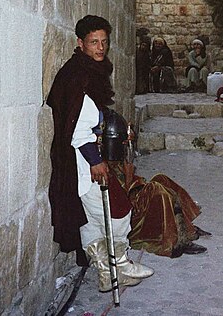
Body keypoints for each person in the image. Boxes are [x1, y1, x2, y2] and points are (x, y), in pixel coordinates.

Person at [46, 15, 154, 293]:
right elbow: (77, 128)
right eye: (94, 42)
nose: (100, 47)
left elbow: (95, 114)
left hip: (79, 160)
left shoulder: (89, 72)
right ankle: (120, 263)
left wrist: (115, 126)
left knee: (92, 218)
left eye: (104, 42)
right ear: (80, 43)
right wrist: (95, 162)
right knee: (117, 210)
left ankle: (107, 273)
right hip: (83, 162)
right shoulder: (78, 77)